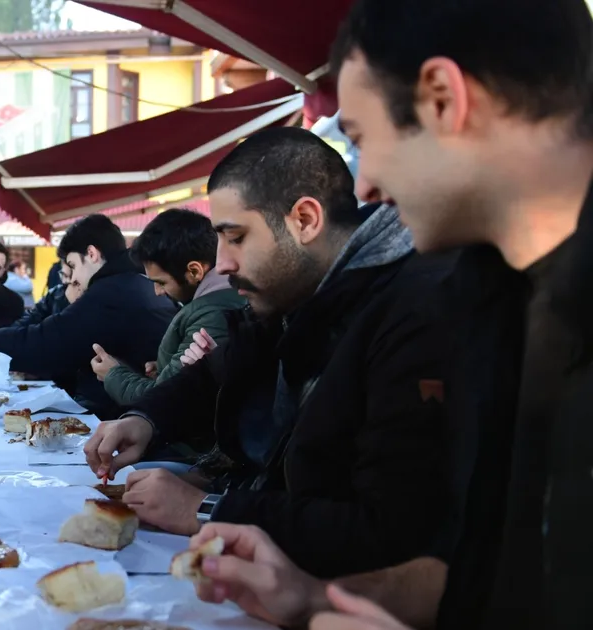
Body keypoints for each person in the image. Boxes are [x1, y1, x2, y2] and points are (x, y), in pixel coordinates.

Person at [185, 1, 593, 628]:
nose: (365, 185)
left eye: (362, 139)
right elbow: (481, 567)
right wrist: (311, 598)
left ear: (440, 98)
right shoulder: (488, 294)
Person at [85, 128, 454, 579]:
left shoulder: (409, 317)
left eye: (235, 237)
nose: (222, 262)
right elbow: (215, 373)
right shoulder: (293, 299)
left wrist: (208, 510)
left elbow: (389, 529)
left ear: (304, 220)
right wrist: (142, 420)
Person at [0, 215, 176, 418]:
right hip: (138, 411)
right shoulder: (135, 283)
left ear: (91, 254)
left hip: (131, 420)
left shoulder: (111, 292)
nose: (73, 278)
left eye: (73, 266)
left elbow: (50, 342)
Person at [93, 209, 245, 407]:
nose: (157, 292)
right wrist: (166, 366)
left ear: (194, 271)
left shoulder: (213, 315)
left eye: (161, 282)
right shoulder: (214, 303)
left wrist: (113, 375)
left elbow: (165, 399)